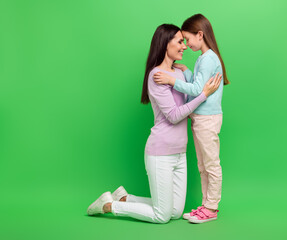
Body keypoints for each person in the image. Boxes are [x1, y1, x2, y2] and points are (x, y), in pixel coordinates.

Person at [86, 23, 222, 224]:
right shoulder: (157, 76)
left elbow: (188, 95)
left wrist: (188, 76)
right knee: (162, 216)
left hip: (180, 153)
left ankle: (125, 197)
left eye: (185, 41)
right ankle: (109, 205)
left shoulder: (177, 73)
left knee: (175, 212)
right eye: (179, 41)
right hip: (161, 152)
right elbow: (175, 115)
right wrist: (204, 95)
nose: (184, 46)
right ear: (165, 44)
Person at [153, 14, 229, 223]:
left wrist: (171, 80)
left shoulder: (208, 59)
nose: (185, 44)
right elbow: (198, 83)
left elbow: (197, 90)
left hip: (207, 119)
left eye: (187, 39)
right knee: (203, 165)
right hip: (200, 118)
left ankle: (211, 208)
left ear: (200, 35)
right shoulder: (204, 59)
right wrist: (186, 71)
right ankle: (206, 206)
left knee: (211, 164)